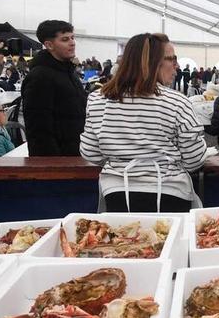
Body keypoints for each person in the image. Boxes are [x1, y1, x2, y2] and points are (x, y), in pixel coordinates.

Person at [80, 32, 208, 213]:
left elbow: (90, 152)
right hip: (170, 192)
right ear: (153, 62)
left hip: (117, 192)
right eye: (171, 59)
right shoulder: (177, 102)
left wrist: (120, 158)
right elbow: (194, 159)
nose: (176, 66)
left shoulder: (97, 99)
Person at [21, 20, 87, 156]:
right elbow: (38, 130)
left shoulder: (69, 73)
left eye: (72, 38)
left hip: (77, 155)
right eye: (65, 39)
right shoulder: (40, 77)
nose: (72, 42)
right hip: (59, 162)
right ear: (49, 45)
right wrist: (52, 167)